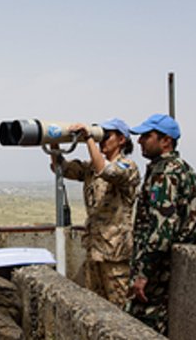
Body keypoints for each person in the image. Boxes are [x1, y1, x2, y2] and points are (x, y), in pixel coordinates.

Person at [49, 118, 140, 308]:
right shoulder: (91, 167)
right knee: (95, 307)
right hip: (94, 250)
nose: (102, 140)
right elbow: (62, 168)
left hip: (115, 255)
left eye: (107, 136)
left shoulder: (128, 167)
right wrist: (53, 140)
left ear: (122, 140)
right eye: (101, 135)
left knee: (120, 309)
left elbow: (108, 172)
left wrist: (89, 138)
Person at [125, 114, 196, 335]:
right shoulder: (184, 168)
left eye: (147, 136)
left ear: (165, 141)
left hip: (158, 272)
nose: (139, 141)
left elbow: (162, 228)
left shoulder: (164, 174)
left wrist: (144, 272)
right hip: (169, 267)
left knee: (145, 327)